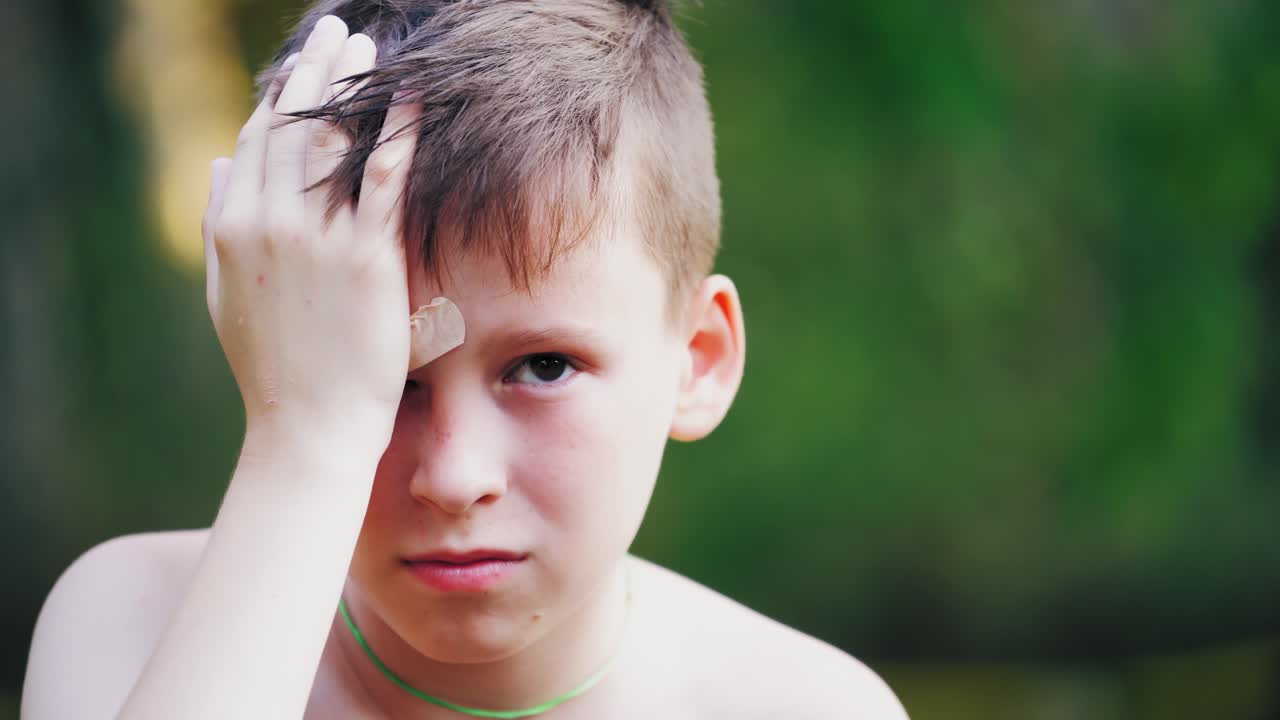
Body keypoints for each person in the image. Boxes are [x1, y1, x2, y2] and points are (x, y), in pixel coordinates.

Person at [22, 2, 908, 718]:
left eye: (545, 366)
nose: (454, 477)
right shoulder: (131, 622)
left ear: (699, 358)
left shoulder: (802, 705)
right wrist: (305, 448)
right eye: (383, 381)